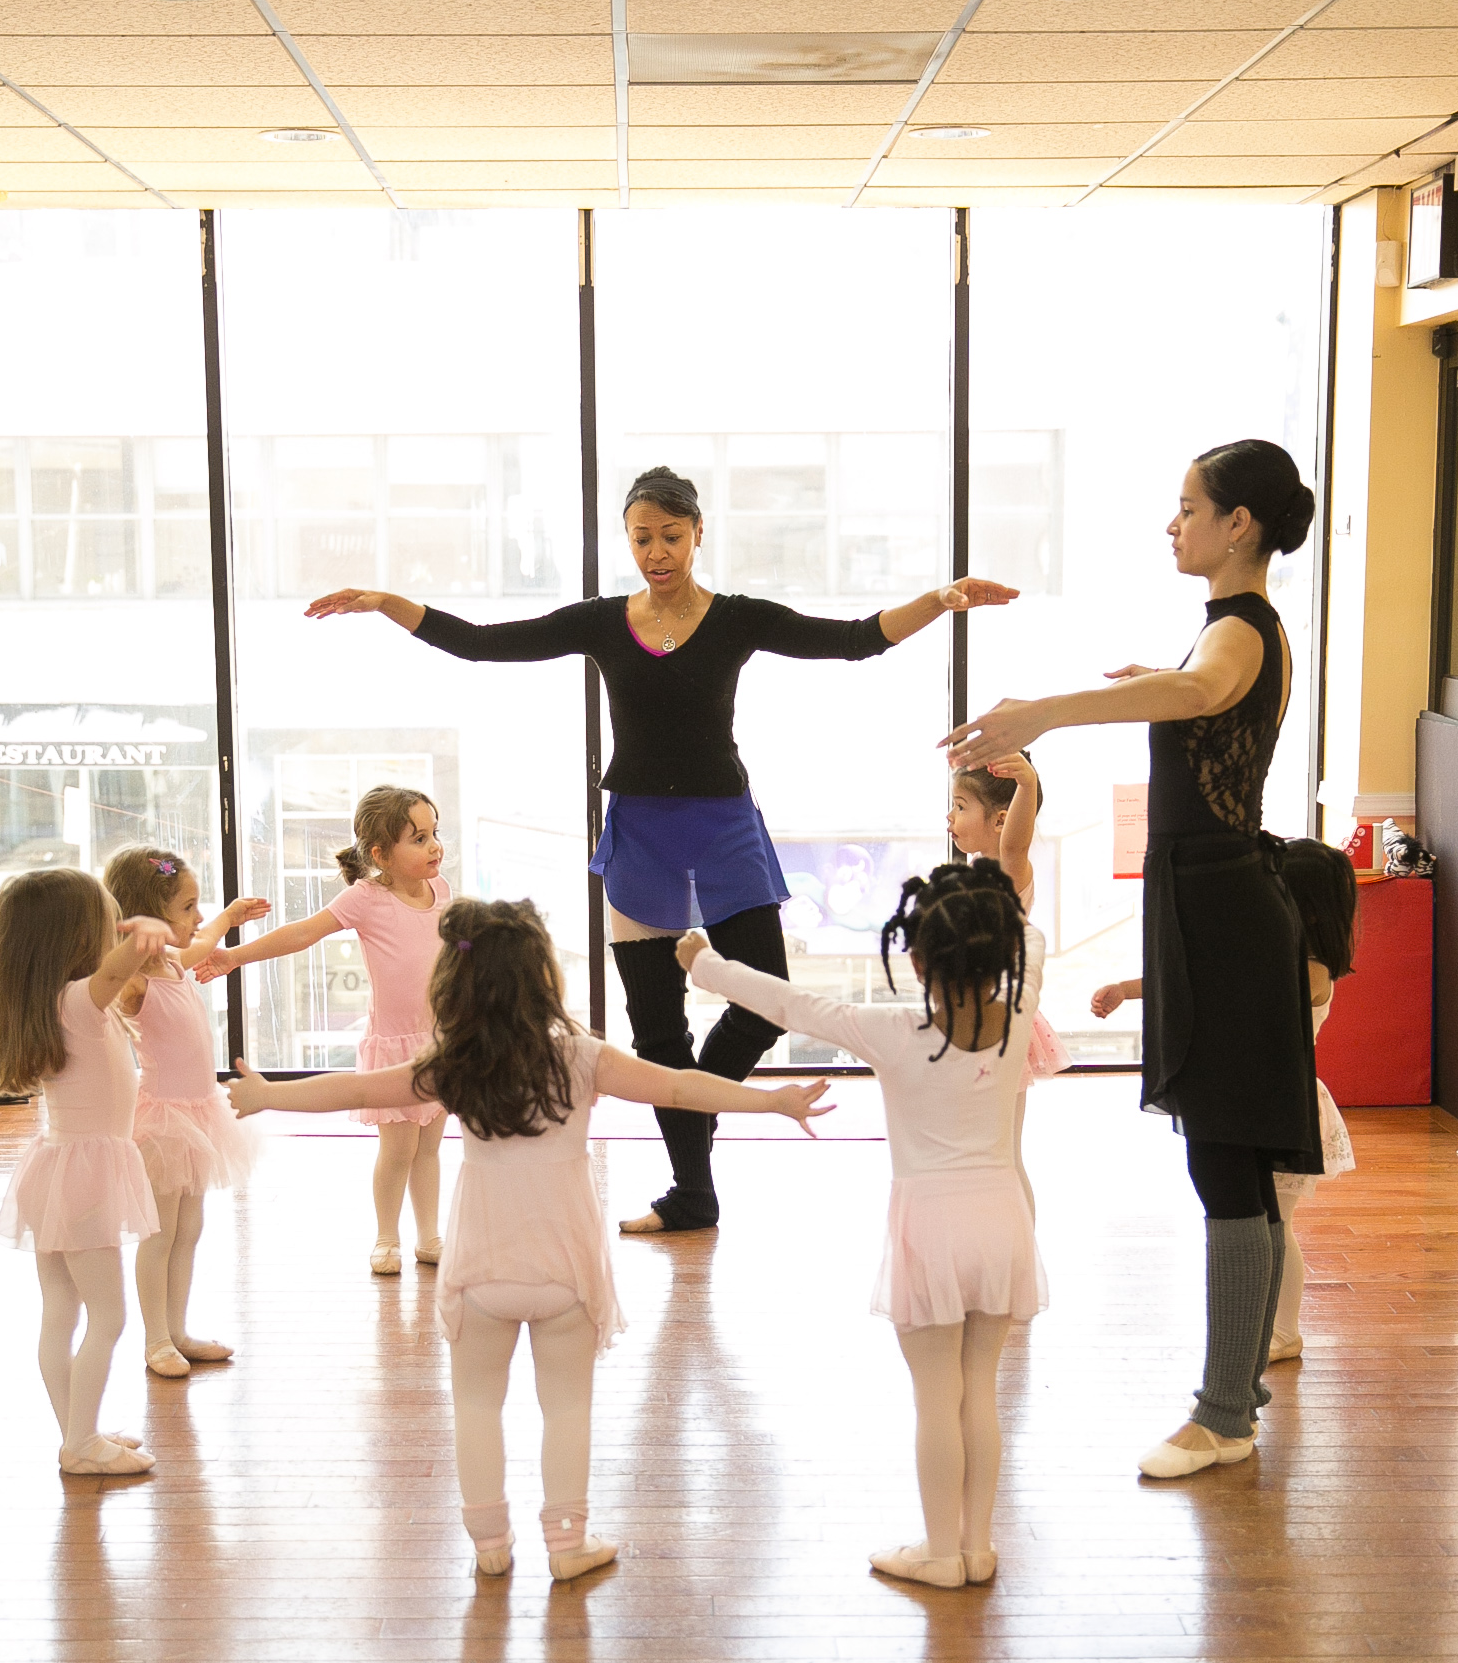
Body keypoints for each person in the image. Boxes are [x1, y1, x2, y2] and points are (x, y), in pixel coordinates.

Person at [302, 465, 1013, 1236]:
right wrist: (387, 602)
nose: (656, 553)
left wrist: (941, 599)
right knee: (657, 1032)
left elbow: (852, 641)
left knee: (766, 998)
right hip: (640, 834)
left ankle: (694, 1111)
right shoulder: (605, 622)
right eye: (641, 539)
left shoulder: (736, 619)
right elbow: (482, 645)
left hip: (725, 828)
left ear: (698, 533)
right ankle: (691, 1195)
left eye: (670, 537)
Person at [229, 895, 831, 1580]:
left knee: (476, 1406)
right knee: (567, 1408)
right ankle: (568, 1545)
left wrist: (269, 1096)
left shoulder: (454, 1063)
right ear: (544, 975)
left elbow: (356, 1089)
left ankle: (489, 1544)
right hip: (564, 1267)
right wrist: (772, 1101)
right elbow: (680, 1088)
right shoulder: (582, 1056)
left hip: (481, 1266)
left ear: (454, 982)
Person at [947, 437, 1321, 1482]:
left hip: (1225, 909)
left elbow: (1203, 696)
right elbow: (1197, 691)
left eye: (1188, 507)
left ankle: (1223, 1414)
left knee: (1227, 1161)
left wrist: (1045, 714)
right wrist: (1158, 678)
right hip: (1211, 902)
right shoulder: (1231, 629)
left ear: (1239, 524)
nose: (1173, 523)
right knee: (1232, 1161)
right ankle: (1235, 1398)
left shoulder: (1239, 630)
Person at [678, 859, 1044, 1590]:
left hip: (931, 1230)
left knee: (936, 1397)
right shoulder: (1021, 1011)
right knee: (981, 1389)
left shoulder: (892, 1030)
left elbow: (792, 1004)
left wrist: (705, 963)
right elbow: (1031, 943)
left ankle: (940, 1554)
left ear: (917, 961)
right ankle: (976, 1547)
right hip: (1003, 1222)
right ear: (1001, 951)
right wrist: (1004, 894)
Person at [0, 873, 171, 1478]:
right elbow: (115, 972)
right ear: (77, 937)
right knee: (108, 1317)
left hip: (57, 1170)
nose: (114, 936)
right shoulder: (80, 1001)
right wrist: (146, 936)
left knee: (61, 1312)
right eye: (107, 924)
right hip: (87, 1177)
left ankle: (79, 1431)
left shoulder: (38, 993)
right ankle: (81, 1445)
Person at [1093, 835, 1357, 1367]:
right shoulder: (1280, 957)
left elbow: (1224, 988)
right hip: (1261, 1100)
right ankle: (1267, 1326)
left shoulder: (1311, 970)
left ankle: (1284, 1330)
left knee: (1278, 1225)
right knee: (1266, 1222)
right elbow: (1210, 979)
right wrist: (1128, 987)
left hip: (1285, 1106)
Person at [198, 788, 450, 1275]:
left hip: (437, 1041)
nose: (434, 845)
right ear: (381, 855)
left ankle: (429, 1235)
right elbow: (302, 933)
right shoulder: (367, 898)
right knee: (398, 1149)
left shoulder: (441, 890)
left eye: (434, 833)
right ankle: (386, 1237)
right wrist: (233, 957)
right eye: (419, 838)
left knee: (430, 1147)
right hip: (394, 1047)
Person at [102, 848, 269, 1379]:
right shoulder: (133, 980)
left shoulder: (174, 962)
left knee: (189, 1228)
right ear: (149, 916)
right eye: (188, 907)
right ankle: (155, 1340)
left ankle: (177, 1331)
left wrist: (229, 918)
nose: (199, 917)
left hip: (199, 1115)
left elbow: (201, 943)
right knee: (160, 1232)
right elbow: (97, 986)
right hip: (163, 1123)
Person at [948, 750, 1071, 1218]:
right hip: (970, 1021)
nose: (950, 816)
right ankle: (988, 1239)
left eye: (961, 806)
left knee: (1000, 1153)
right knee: (981, 1151)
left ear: (1000, 820)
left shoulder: (1007, 867)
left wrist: (1026, 782)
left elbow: (1017, 844)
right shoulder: (976, 870)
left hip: (998, 1024)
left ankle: (1017, 1247)